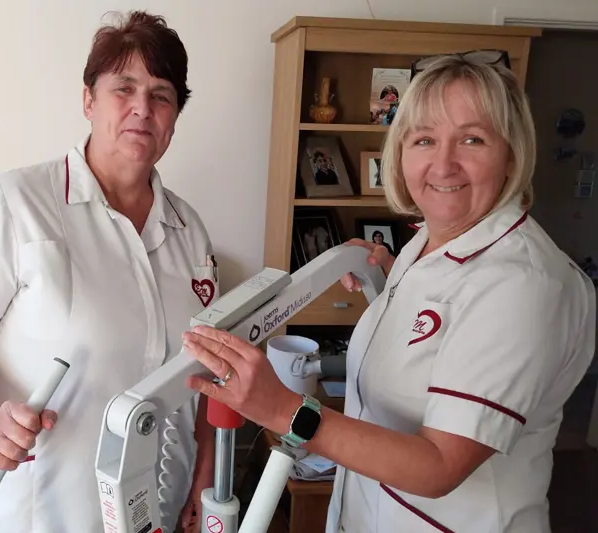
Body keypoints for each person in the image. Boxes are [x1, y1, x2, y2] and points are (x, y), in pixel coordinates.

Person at [182, 53, 596, 532]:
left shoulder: (524, 285)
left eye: (472, 139)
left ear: (511, 155)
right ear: (400, 153)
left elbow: (440, 466)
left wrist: (282, 409)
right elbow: (446, 322)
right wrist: (394, 275)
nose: (444, 163)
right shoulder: (428, 244)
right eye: (424, 139)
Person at [0, 11, 218, 533]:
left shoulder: (189, 230)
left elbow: (206, 374)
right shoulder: (17, 203)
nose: (143, 108)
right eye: (124, 87)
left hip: (155, 510)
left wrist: (202, 480)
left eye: (161, 95)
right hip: (35, 513)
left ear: (174, 117)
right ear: (88, 100)